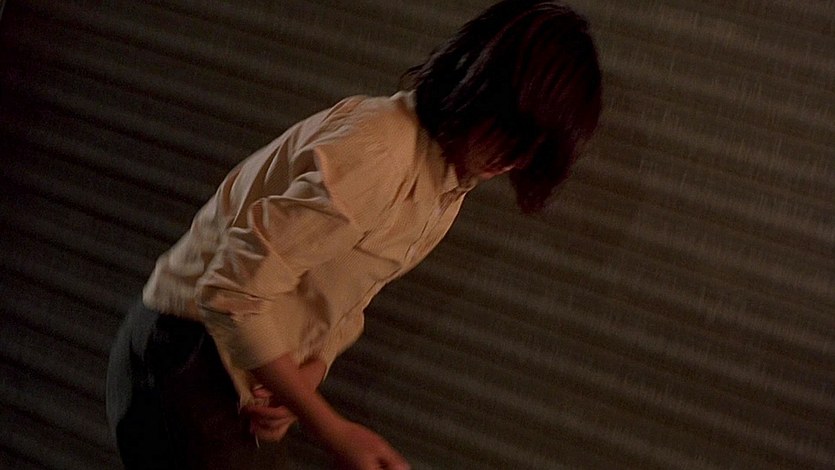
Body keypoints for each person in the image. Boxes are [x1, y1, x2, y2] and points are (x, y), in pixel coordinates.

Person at [106, 1, 602, 468]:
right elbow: (231, 292)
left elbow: (345, 299)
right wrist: (333, 429)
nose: (514, 160)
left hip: (235, 367)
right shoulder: (381, 153)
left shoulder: (447, 184)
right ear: (478, 82)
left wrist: (305, 377)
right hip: (183, 354)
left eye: (533, 150)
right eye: (512, 132)